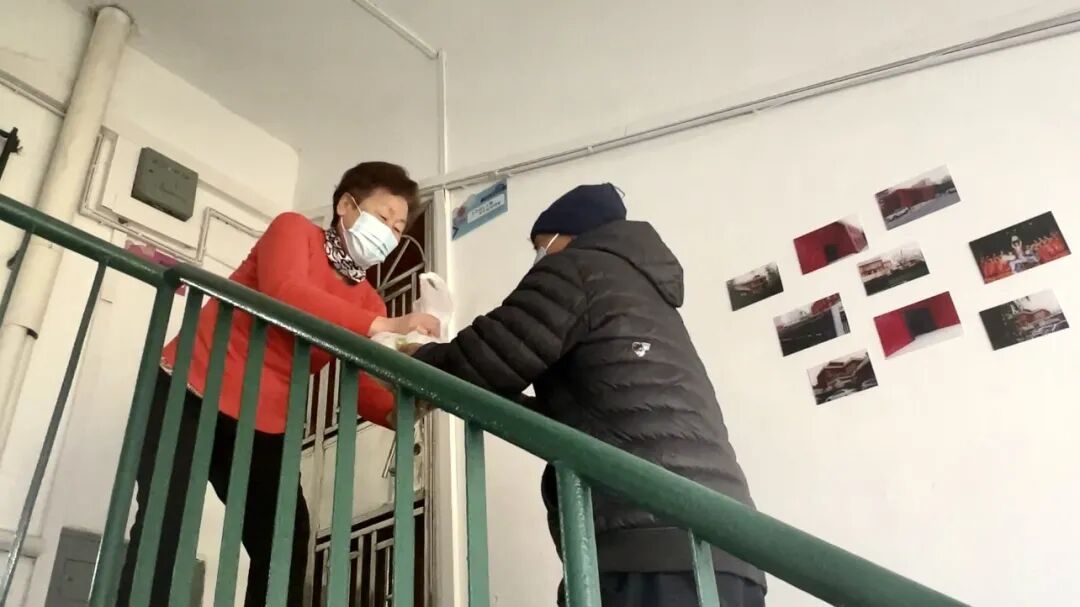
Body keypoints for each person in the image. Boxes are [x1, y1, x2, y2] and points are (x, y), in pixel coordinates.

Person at [404, 184, 766, 606]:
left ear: (568, 235)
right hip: (731, 549)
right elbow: (602, 408)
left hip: (649, 545)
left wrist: (414, 360)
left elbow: (486, 358)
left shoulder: (578, 269)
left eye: (541, 246)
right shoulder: (645, 295)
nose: (539, 258)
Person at [117, 162, 440, 606]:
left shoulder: (369, 301)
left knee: (285, 542)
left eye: (398, 229)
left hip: (263, 424)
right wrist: (386, 325)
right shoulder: (294, 231)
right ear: (346, 206)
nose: (389, 233)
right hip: (190, 388)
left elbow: (366, 389)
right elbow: (285, 292)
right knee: (165, 524)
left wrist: (415, 401)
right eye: (384, 217)